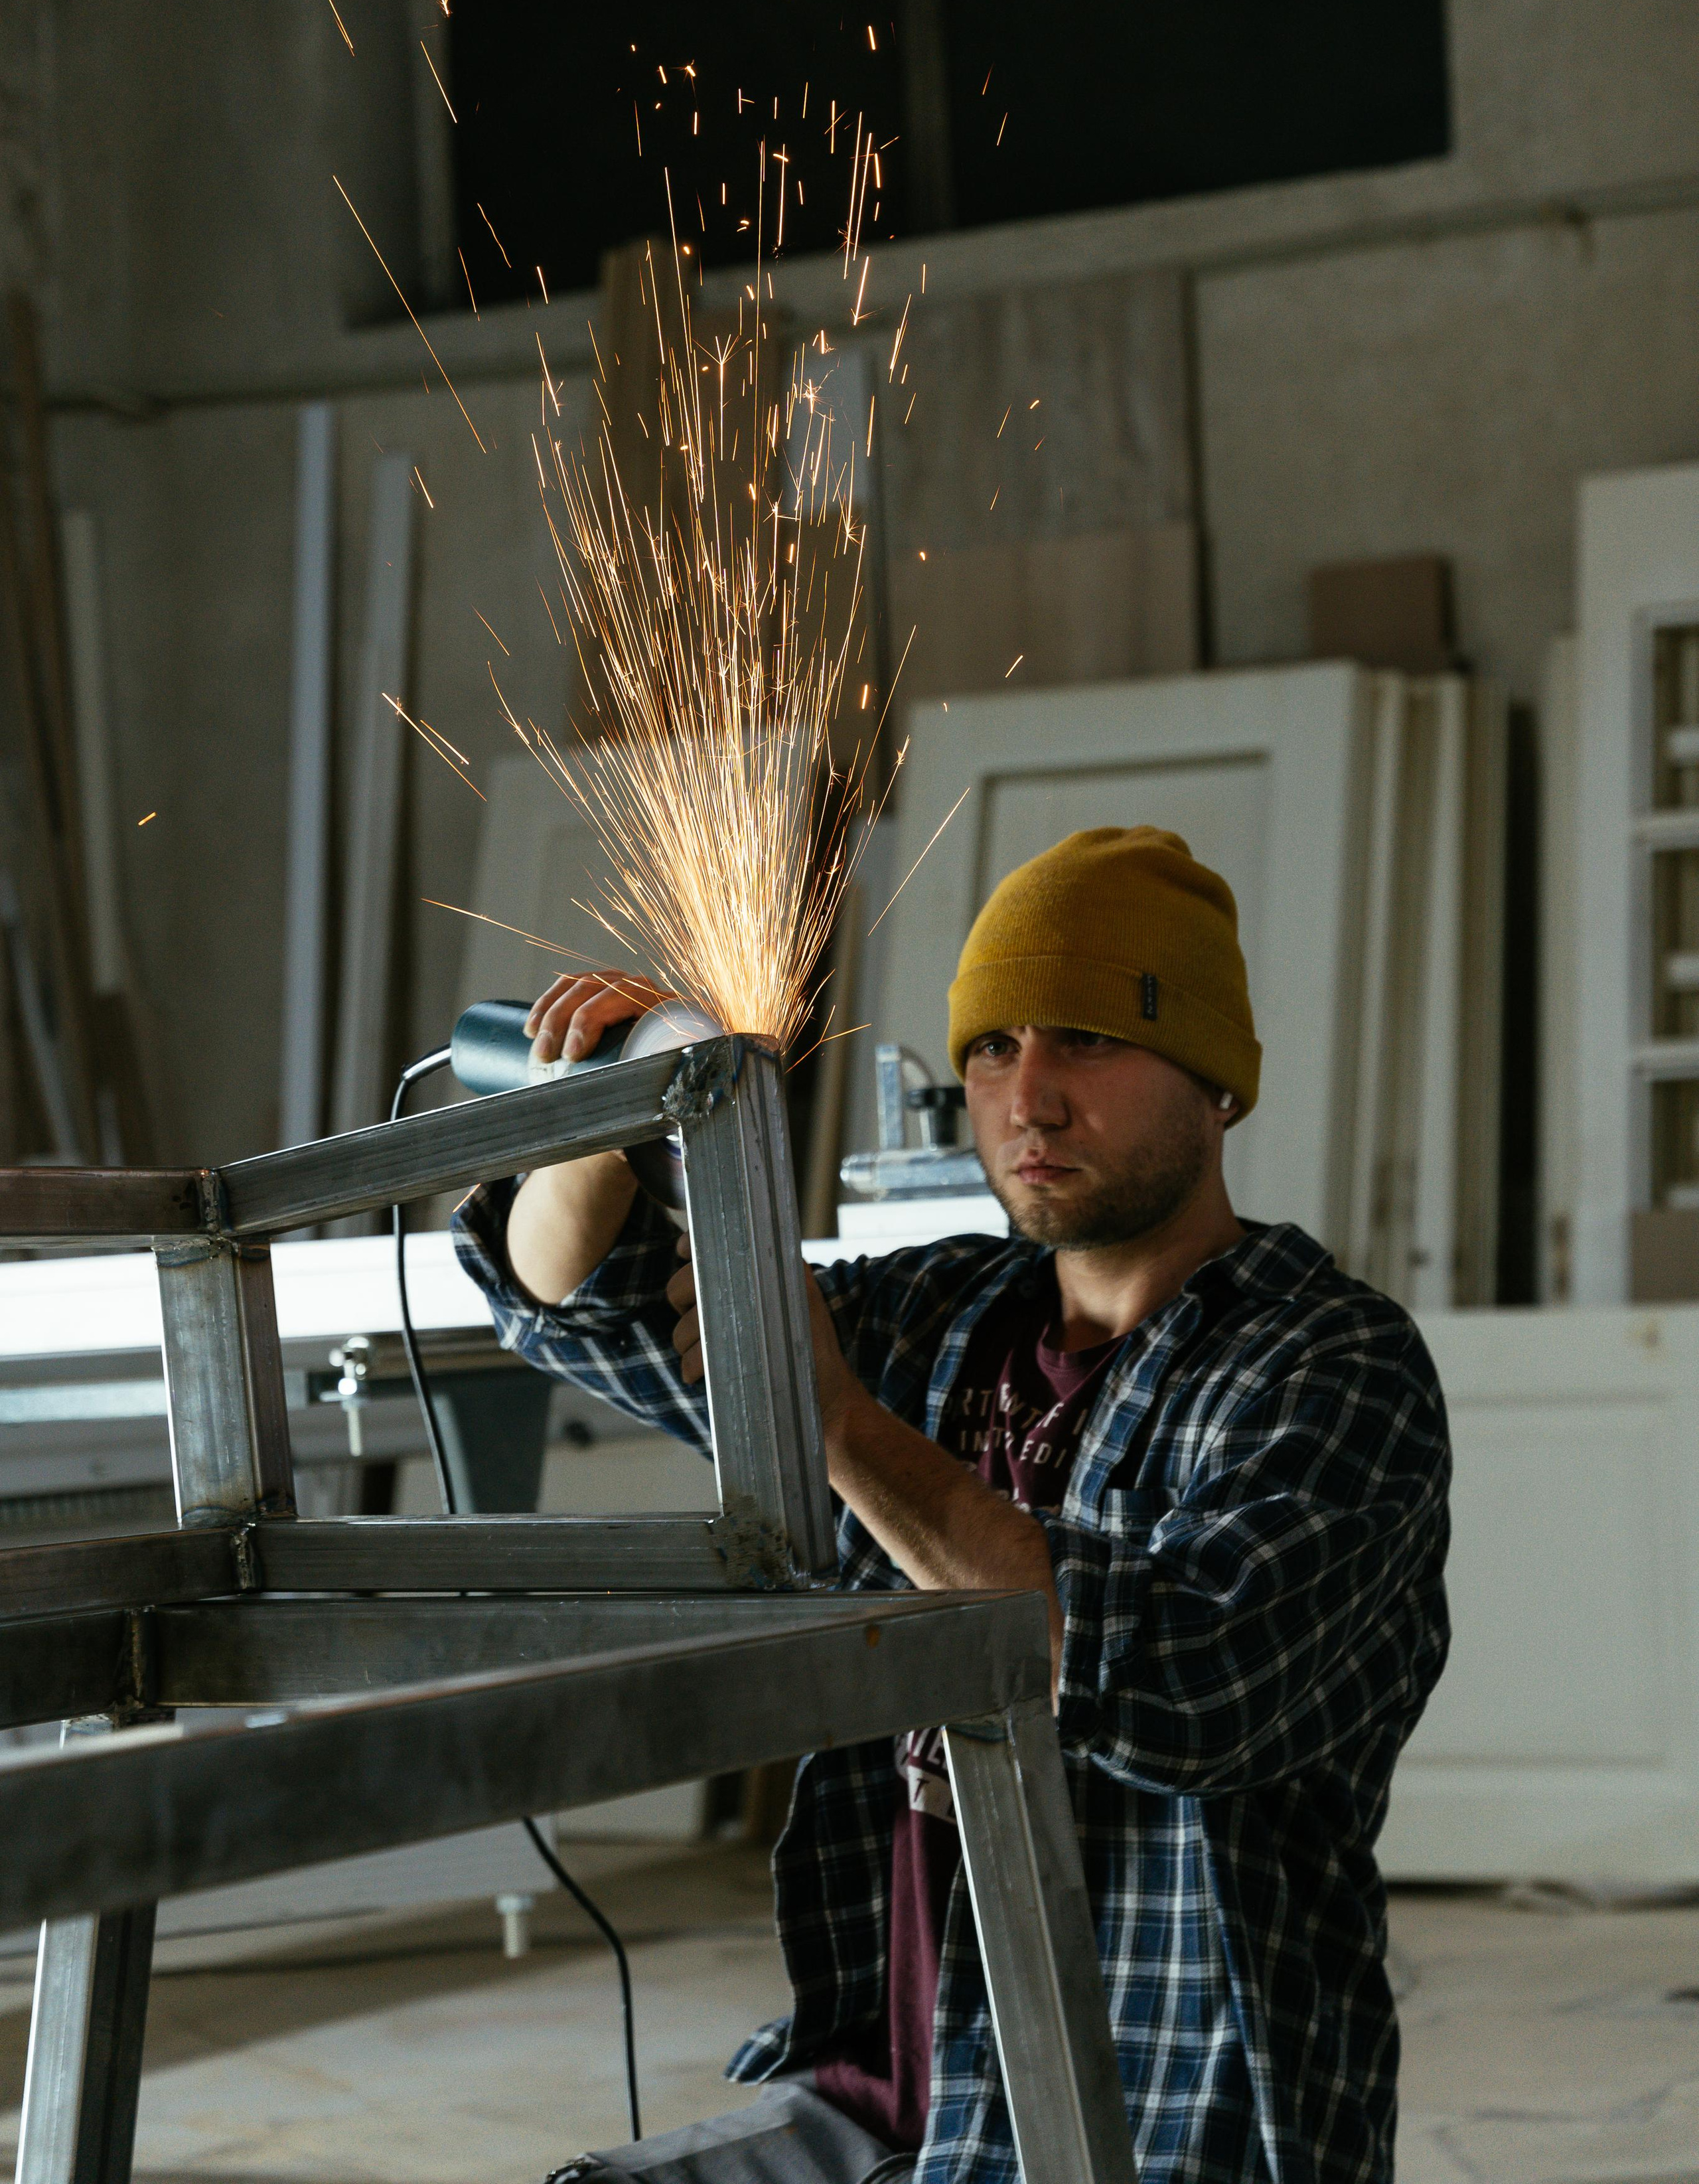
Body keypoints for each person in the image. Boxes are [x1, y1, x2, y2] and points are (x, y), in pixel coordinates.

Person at [453, 826, 1450, 2184]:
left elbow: (1185, 1676)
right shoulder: (936, 1311)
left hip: (1156, 2118)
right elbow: (578, 1309)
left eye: (1087, 1041)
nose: (1027, 1100)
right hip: (881, 2104)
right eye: (991, 1048)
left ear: (1217, 1084)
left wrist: (834, 1424)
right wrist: (602, 1121)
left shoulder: (1330, 1365)